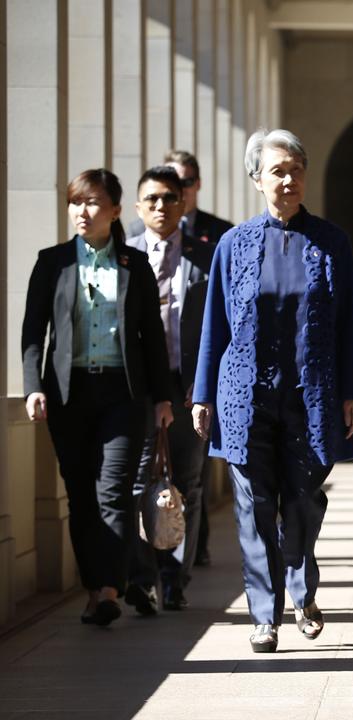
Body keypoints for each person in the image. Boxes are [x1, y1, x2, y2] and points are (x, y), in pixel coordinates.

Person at [192, 129, 353, 653]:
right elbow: (214, 326)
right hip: (245, 397)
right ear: (257, 179)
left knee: (304, 500)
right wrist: (202, 394)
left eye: (295, 169)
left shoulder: (332, 242)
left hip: (312, 395)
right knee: (255, 505)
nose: (288, 179)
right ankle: (264, 615)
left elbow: (350, 322)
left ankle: (301, 587)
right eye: (277, 171)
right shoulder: (233, 244)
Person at [21, 168, 175, 627]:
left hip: (122, 394)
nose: (82, 212)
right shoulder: (52, 262)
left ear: (114, 211)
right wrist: (32, 386)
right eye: (76, 202)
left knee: (115, 491)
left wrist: (162, 398)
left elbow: (152, 338)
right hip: (68, 394)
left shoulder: (134, 264)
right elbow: (33, 332)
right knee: (81, 496)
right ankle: (95, 588)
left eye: (92, 203)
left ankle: (108, 590)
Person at [127, 149, 233, 569]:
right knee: (137, 482)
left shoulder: (207, 256)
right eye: (152, 199)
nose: (161, 206)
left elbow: (224, 327)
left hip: (188, 385)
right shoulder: (125, 253)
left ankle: (174, 581)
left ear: (185, 200)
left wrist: (207, 382)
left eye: (171, 197)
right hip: (138, 388)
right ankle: (142, 578)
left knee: (187, 482)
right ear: (137, 206)